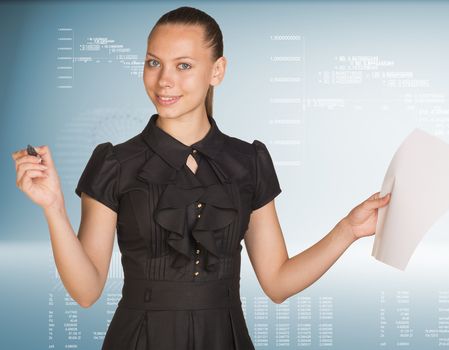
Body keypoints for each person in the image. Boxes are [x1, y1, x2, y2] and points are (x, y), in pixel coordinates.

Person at [11, 6, 390, 349]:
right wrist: (54, 209)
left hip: (225, 338)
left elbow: (277, 283)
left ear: (218, 71)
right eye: (153, 63)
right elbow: (87, 291)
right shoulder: (114, 162)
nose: (164, 81)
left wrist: (348, 230)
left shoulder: (249, 161)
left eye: (184, 65)